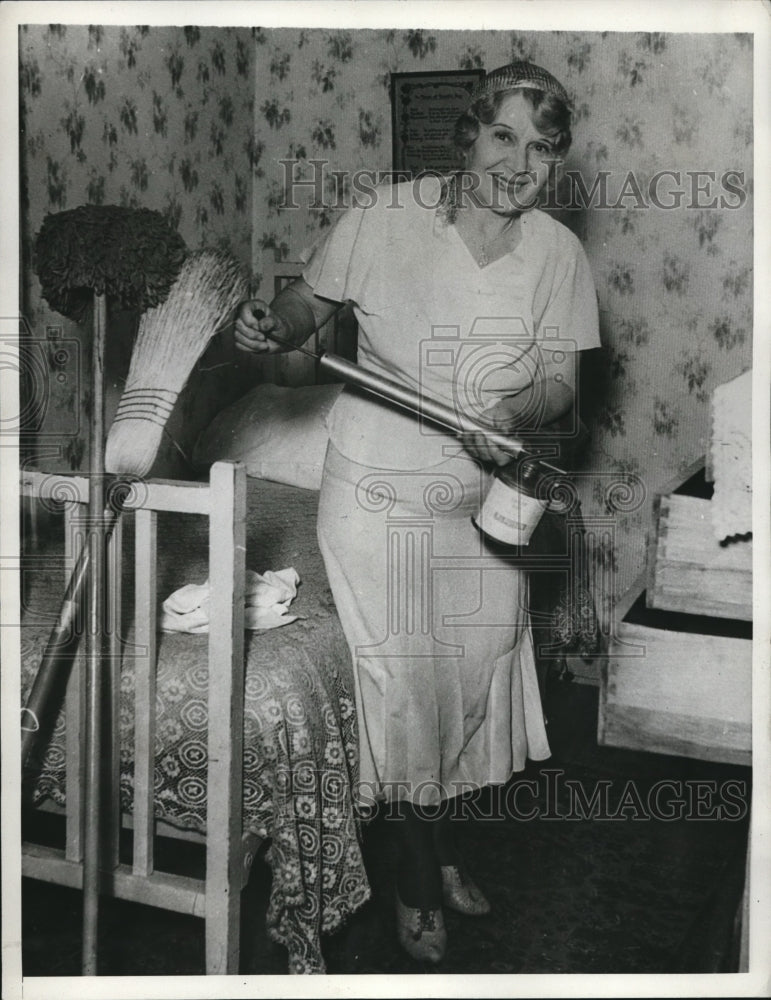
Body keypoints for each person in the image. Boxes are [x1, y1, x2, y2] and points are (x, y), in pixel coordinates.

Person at [235, 61, 600, 964]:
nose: (520, 163)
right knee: (403, 694)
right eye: (504, 135)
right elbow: (305, 303)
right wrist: (273, 327)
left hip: (480, 499)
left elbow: (561, 383)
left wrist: (510, 416)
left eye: (542, 147)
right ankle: (411, 883)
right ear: (468, 133)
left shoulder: (556, 251)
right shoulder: (383, 215)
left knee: (466, 690)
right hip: (374, 492)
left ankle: (435, 851)